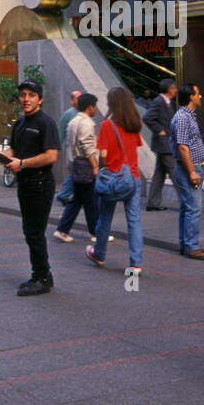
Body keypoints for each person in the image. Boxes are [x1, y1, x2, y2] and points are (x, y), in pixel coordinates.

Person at [0, 80, 60, 295]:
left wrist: (23, 164)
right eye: (23, 95)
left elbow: (51, 155)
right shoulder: (20, 123)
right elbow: (15, 149)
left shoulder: (46, 123)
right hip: (25, 183)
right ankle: (42, 274)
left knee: (34, 232)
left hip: (41, 183)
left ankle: (41, 277)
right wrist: (3, 156)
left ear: (40, 99)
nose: (26, 99)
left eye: (31, 95)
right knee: (30, 231)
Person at [87, 87, 146, 275]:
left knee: (105, 218)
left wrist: (103, 164)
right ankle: (136, 263)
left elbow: (103, 155)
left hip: (112, 178)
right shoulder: (133, 124)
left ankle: (99, 254)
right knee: (134, 221)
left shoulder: (107, 125)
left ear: (112, 103)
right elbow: (135, 146)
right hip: (132, 177)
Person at [53, 93, 99, 244]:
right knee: (90, 201)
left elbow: (70, 145)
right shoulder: (86, 123)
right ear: (90, 107)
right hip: (85, 165)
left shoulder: (73, 121)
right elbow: (86, 145)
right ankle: (95, 233)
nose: (96, 109)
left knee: (77, 200)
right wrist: (94, 166)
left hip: (76, 165)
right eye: (95, 105)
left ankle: (62, 230)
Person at [170, 82, 204, 259]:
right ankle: (191, 246)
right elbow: (183, 147)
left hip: (192, 167)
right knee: (193, 208)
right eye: (198, 93)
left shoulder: (188, 115)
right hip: (189, 169)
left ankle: (186, 243)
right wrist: (192, 171)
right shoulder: (183, 117)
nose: (200, 96)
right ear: (191, 96)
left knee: (187, 208)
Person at [142, 78, 178, 211]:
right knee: (175, 172)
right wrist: (159, 130)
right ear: (169, 89)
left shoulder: (170, 103)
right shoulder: (159, 102)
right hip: (163, 144)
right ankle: (187, 201)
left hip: (166, 143)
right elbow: (147, 117)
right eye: (174, 87)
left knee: (159, 174)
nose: (176, 90)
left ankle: (153, 202)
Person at [54, 91, 82, 205]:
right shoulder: (68, 114)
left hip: (81, 148)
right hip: (72, 148)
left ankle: (68, 195)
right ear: (72, 100)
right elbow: (61, 131)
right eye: (77, 98)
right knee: (77, 172)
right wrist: (57, 147)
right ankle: (64, 194)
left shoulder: (82, 112)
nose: (80, 100)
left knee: (77, 173)